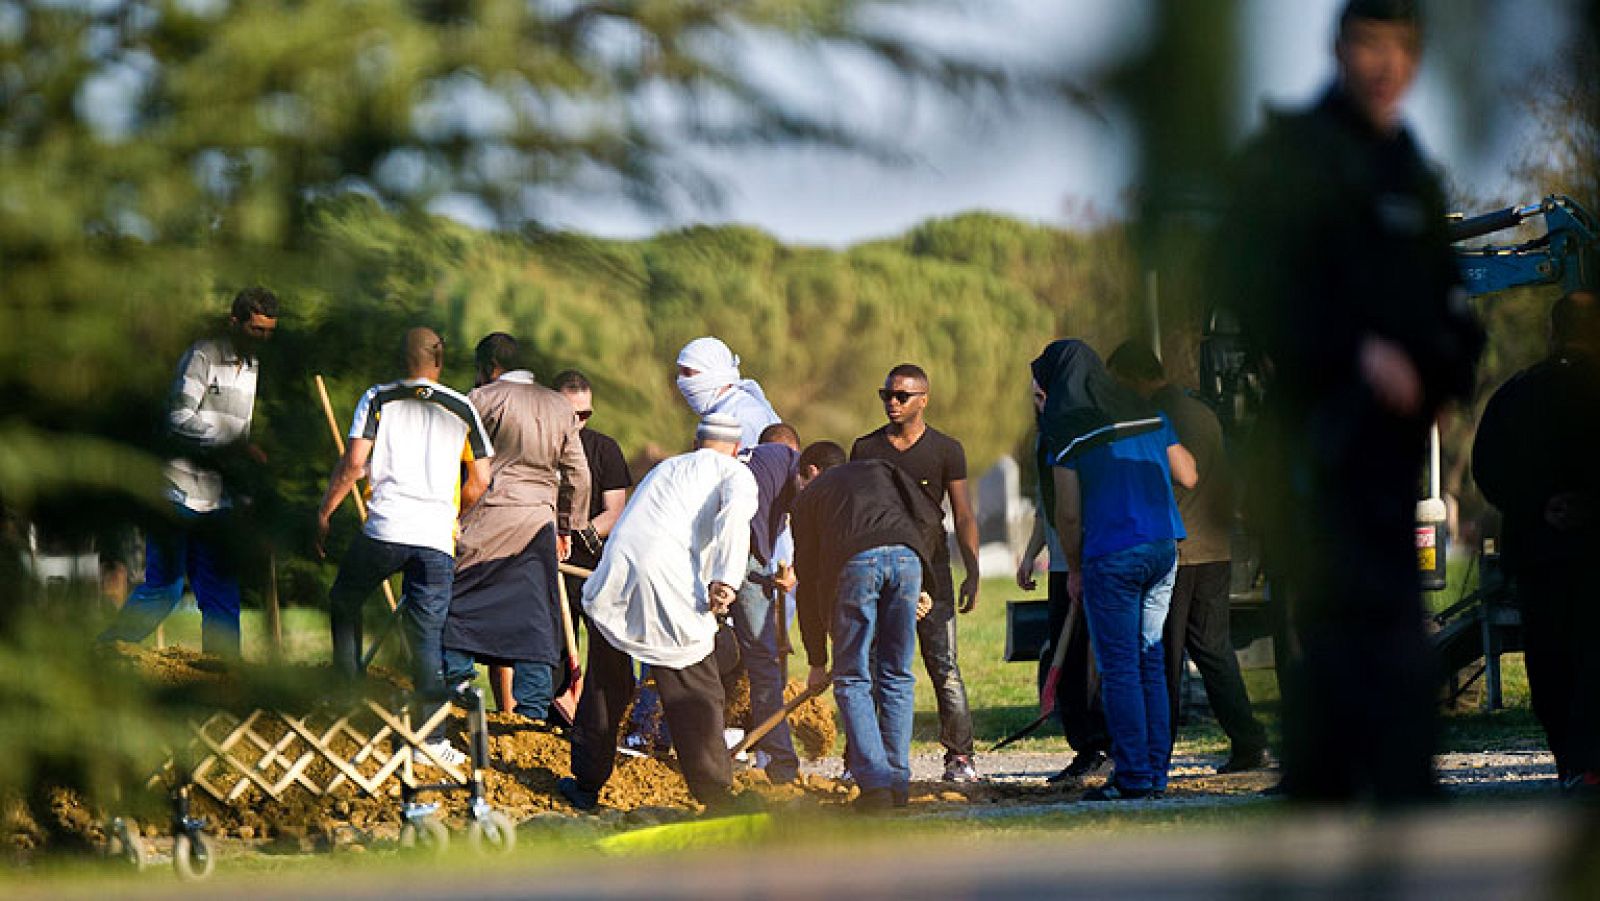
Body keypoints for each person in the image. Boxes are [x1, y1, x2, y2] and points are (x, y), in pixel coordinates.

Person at [1219, 0, 1482, 803]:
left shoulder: (1410, 166)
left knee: (1397, 612)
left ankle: (1404, 777)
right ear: (1338, 49)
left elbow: (1449, 306)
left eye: (1404, 47)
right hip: (1318, 438)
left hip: (1393, 446)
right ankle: (1325, 780)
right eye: (1371, 44)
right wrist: (1353, 350)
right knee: (1329, 612)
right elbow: (1254, 287)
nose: (1387, 64)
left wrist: (1437, 383)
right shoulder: (1288, 157)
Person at [559, 414, 759, 812]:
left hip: (616, 576)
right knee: (694, 693)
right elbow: (734, 520)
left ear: (697, 441)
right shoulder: (735, 474)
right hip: (667, 584)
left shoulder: (668, 466)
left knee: (605, 687)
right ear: (737, 449)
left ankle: (585, 785)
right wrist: (726, 579)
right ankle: (716, 794)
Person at [316, 327, 494, 767]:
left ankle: (345, 695)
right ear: (440, 360)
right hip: (435, 538)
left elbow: (355, 464)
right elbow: (482, 480)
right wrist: (454, 516)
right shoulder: (463, 407)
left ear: (402, 357)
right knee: (428, 636)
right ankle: (431, 741)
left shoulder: (378, 398)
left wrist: (325, 511)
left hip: (386, 528)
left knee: (345, 598)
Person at [1034, 339, 1197, 801]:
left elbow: (1067, 513)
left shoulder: (1065, 429)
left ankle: (1133, 776)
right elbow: (1188, 474)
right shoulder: (1144, 411)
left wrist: (1077, 569)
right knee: (1150, 661)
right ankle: (1154, 773)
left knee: (1121, 668)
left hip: (1112, 554)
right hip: (1163, 547)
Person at [1107, 341, 1271, 773]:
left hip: (1178, 549)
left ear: (1136, 378)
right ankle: (1249, 742)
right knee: (1214, 651)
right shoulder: (1202, 412)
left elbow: (1169, 480)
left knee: (1164, 655)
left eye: (1121, 383)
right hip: (1214, 549)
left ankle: (1156, 751)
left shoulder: (1158, 418)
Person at [98, 287, 280, 658]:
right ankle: (105, 654)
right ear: (235, 323)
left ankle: (223, 680)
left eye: (268, 332)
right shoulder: (203, 355)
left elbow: (239, 437)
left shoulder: (254, 368)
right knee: (165, 589)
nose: (262, 339)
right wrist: (231, 442)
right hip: (177, 489)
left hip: (219, 500)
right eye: (256, 330)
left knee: (221, 595)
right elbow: (178, 418)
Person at [1473, 291, 1600, 797]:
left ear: (1552, 333)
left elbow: (1488, 469)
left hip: (1538, 551)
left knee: (1549, 657)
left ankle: (1569, 761)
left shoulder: (1515, 394)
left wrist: (1536, 506)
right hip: (1594, 550)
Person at [439, 334, 590, 724]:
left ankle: (457, 689)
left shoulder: (481, 399)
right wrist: (566, 527)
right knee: (535, 617)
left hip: (485, 520)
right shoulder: (559, 406)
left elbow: (448, 458)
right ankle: (533, 710)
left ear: (489, 367)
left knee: (460, 602)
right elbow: (579, 475)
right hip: (537, 525)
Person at [791, 442, 944, 812]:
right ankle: (897, 782)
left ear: (810, 473)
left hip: (855, 563)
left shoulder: (809, 497)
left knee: (852, 677)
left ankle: (876, 784)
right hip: (907, 559)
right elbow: (929, 518)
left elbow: (808, 582)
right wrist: (926, 584)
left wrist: (816, 660)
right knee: (896, 673)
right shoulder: (881, 469)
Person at [850, 364, 981, 782]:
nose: (892, 402)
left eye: (902, 396)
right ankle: (865, 761)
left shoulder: (946, 449)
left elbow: (962, 514)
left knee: (943, 666)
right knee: (870, 665)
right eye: (886, 394)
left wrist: (973, 571)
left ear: (923, 399)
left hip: (932, 570)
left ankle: (960, 757)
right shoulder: (865, 449)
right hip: (878, 570)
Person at [1016, 466, 1111, 787]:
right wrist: (1030, 554)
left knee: (1094, 660)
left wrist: (1078, 566)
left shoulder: (1073, 430)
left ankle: (1102, 744)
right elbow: (1047, 509)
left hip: (1090, 562)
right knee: (1067, 659)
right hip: (1061, 568)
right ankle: (1086, 745)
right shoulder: (1047, 439)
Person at [728, 437, 805, 783]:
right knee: (763, 662)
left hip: (709, 555)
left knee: (696, 652)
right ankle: (779, 762)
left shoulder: (760, 463)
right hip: (741, 557)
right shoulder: (784, 460)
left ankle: (694, 747)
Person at [550, 369, 632, 638]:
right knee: (558, 648)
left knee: (607, 646)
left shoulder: (605, 448)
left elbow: (616, 510)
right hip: (549, 559)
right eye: (572, 415)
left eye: (585, 415)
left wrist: (578, 535)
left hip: (594, 563)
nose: (579, 421)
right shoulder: (540, 445)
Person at [675, 336, 780, 449]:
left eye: (687, 373)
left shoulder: (741, 419)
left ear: (714, 374)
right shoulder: (727, 410)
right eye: (680, 373)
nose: (681, 381)